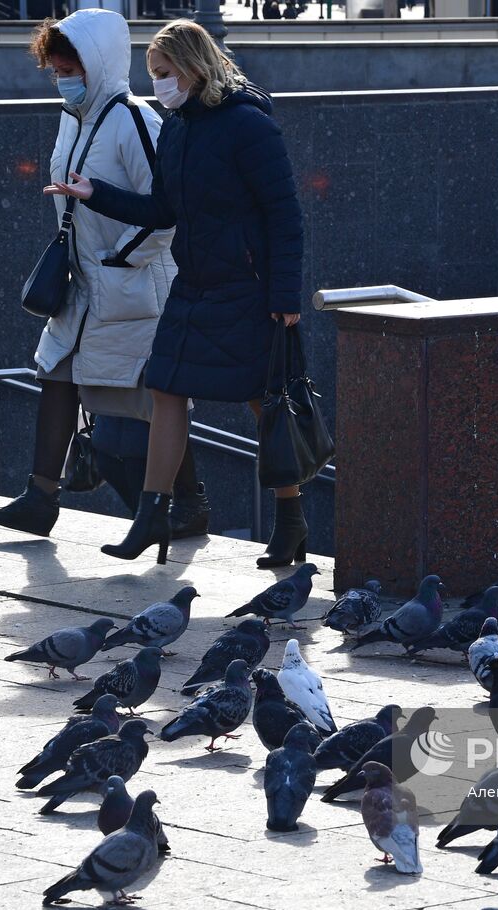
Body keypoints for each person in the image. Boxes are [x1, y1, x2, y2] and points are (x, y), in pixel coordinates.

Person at [44, 19, 305, 569]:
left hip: (248, 288)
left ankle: (290, 518)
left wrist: (285, 297)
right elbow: (162, 208)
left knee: (266, 405)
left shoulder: (247, 125)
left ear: (192, 66)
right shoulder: (180, 126)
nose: (158, 85)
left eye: (164, 74)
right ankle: (152, 513)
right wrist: (95, 194)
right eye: (153, 75)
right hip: (196, 284)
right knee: (165, 388)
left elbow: (285, 214)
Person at [0, 9, 210, 541]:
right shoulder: (74, 117)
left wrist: (122, 257)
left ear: (97, 64)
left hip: (132, 284)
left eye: (69, 68)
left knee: (156, 399)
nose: (62, 79)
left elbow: (165, 208)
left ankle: (190, 504)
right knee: (55, 374)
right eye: (56, 68)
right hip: (86, 280)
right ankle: (41, 496)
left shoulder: (134, 120)